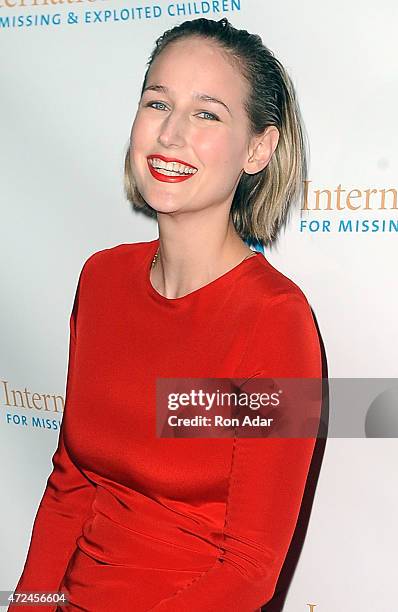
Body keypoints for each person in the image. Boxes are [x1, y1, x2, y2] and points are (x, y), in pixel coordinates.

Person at [9, 17, 322, 612]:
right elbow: (71, 486)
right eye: (158, 103)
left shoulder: (278, 322)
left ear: (258, 149)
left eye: (207, 113)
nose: (171, 134)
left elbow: (250, 570)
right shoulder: (101, 279)